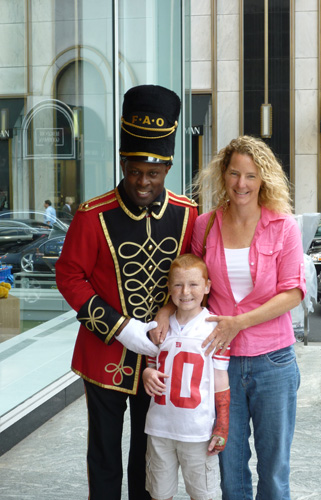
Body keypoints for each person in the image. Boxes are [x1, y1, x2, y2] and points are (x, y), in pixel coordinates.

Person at [55, 84, 198, 500]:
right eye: (134, 171)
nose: (142, 182)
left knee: (148, 450)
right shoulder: (93, 214)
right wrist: (118, 327)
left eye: (152, 174)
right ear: (122, 162)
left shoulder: (187, 214)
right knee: (103, 451)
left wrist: (166, 315)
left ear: (167, 170)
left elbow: (191, 277)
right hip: (104, 355)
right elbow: (70, 276)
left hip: (161, 353)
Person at [190, 135, 306, 500]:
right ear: (223, 175)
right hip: (220, 364)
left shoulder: (283, 226)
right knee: (229, 466)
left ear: (263, 179)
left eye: (251, 176)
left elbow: (293, 292)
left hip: (273, 361)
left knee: (273, 471)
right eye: (235, 174)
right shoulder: (204, 225)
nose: (242, 184)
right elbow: (191, 282)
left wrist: (238, 322)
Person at [142, 254, 230, 500]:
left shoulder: (215, 328)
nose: (186, 291)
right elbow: (151, 363)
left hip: (198, 432)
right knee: (160, 494)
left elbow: (221, 379)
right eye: (178, 284)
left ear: (207, 286)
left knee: (203, 495)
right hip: (160, 428)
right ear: (169, 289)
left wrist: (222, 424)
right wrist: (148, 374)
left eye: (193, 284)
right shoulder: (160, 326)